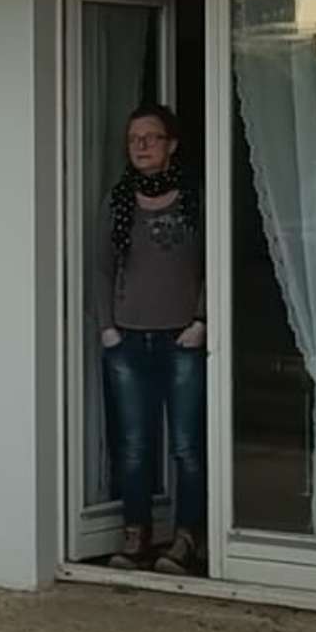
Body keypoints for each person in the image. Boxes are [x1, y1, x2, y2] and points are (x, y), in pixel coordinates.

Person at [90, 103, 206, 574]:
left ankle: (187, 538)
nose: (140, 146)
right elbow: (101, 268)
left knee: (187, 446)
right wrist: (107, 327)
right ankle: (135, 534)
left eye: (151, 137)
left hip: (183, 339)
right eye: (133, 138)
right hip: (129, 341)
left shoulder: (194, 197)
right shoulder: (118, 200)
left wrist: (202, 320)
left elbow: (213, 261)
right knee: (134, 446)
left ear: (171, 144)